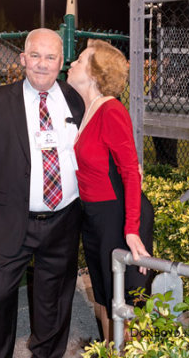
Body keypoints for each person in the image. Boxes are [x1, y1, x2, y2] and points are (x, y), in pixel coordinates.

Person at [0, 28, 85, 358]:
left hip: (64, 220)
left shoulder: (74, 99)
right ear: (23, 58)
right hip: (11, 218)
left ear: (62, 61)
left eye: (51, 56)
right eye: (36, 55)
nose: (42, 64)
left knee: (54, 301)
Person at [67, 39, 153, 339]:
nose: (72, 64)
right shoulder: (88, 108)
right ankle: (109, 348)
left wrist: (131, 229)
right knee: (103, 295)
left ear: (94, 72)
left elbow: (131, 171)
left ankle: (121, 349)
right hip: (96, 215)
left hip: (115, 216)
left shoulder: (110, 110)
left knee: (122, 300)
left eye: (79, 60)